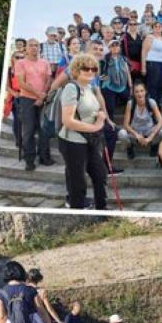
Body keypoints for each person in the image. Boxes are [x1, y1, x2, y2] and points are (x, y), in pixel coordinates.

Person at [57, 53, 109, 210]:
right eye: (86, 68)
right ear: (77, 70)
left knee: (100, 175)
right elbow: (68, 120)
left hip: (89, 140)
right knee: (77, 183)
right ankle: (77, 211)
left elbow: (93, 110)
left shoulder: (89, 88)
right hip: (73, 142)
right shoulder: (71, 88)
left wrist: (100, 115)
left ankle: (102, 208)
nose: (91, 71)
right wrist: (95, 127)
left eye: (94, 69)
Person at [15, 38, 53, 170]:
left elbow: (49, 79)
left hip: (43, 99)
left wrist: (42, 96)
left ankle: (44, 157)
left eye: (36, 45)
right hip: (27, 99)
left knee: (44, 130)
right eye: (31, 45)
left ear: (39, 48)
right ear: (26, 48)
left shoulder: (45, 62)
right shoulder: (20, 63)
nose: (34, 47)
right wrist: (38, 94)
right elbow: (21, 83)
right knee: (29, 130)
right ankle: (29, 160)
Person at [100, 40, 133, 173]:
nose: (115, 47)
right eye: (112, 45)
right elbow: (99, 72)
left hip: (122, 86)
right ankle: (111, 130)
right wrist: (102, 77)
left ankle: (130, 132)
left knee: (131, 102)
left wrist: (130, 86)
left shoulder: (123, 58)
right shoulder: (105, 59)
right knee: (111, 110)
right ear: (109, 48)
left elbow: (127, 72)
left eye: (117, 45)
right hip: (109, 87)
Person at [121, 82, 162, 160]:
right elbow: (125, 124)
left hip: (149, 131)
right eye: (137, 92)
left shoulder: (151, 102)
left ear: (145, 92)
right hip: (136, 131)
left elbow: (161, 121)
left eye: (142, 91)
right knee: (122, 134)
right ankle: (130, 147)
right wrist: (136, 134)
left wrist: (151, 136)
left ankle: (154, 145)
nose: (139, 94)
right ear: (133, 93)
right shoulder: (130, 103)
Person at [142, 22, 162, 102]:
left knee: (160, 85)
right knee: (152, 86)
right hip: (152, 62)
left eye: (160, 26)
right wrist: (143, 67)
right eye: (155, 26)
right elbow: (144, 51)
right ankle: (152, 106)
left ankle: (157, 103)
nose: (158, 28)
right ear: (153, 28)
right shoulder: (150, 37)